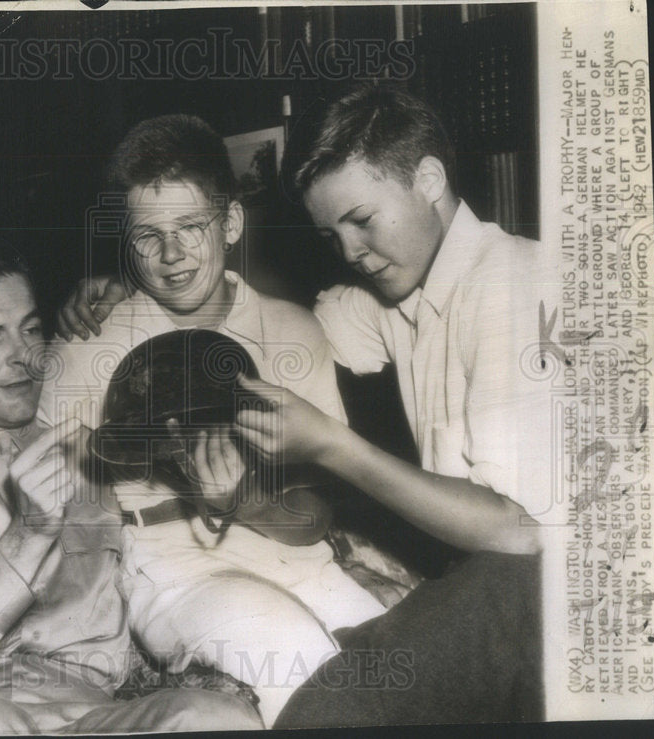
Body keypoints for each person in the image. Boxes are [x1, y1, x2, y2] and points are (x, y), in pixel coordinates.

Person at [0, 115, 389, 728]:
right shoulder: (90, 340)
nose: (171, 254)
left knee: (404, 669)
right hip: (169, 567)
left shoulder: (295, 330)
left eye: (191, 226)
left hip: (292, 548)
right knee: (294, 657)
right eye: (148, 236)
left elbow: (314, 515)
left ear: (232, 222)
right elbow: (3, 419)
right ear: (126, 243)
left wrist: (240, 498)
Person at [53, 86, 551, 725]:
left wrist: (297, 469)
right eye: (149, 235)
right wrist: (131, 290)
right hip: (174, 569)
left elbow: (519, 532)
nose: (348, 251)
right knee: (321, 673)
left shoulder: (516, 287)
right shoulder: (383, 299)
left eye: (362, 220)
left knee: (386, 682)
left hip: (537, 574)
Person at [0, 239, 264, 735]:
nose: (24, 358)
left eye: (31, 330)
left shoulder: (92, 452)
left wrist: (227, 494)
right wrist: (27, 535)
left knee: (216, 717)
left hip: (97, 716)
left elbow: (217, 522)